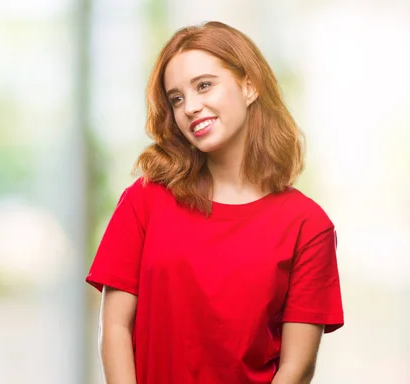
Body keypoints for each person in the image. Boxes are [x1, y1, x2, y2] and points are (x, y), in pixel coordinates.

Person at [85, 21, 344, 384]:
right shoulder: (145, 200)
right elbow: (114, 328)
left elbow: (296, 368)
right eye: (176, 98)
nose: (190, 107)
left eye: (204, 85)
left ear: (249, 85)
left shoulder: (308, 225)